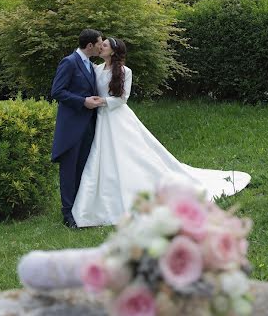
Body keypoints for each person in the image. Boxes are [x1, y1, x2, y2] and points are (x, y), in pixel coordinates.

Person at [72, 38, 251, 227]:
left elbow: (123, 98)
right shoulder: (96, 69)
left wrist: (102, 102)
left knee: (130, 154)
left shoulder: (125, 72)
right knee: (102, 156)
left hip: (117, 117)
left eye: (105, 45)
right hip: (101, 119)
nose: (101, 47)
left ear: (114, 51)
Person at [51, 28, 103, 228]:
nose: (101, 45)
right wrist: (83, 101)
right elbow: (57, 91)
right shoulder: (69, 62)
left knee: (82, 169)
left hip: (88, 125)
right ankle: (67, 214)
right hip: (72, 126)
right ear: (90, 45)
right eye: (99, 42)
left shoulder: (90, 65)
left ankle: (80, 210)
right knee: (69, 170)